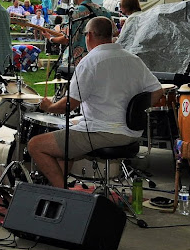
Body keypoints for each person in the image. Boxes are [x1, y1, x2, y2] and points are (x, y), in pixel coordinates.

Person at [28, 17, 162, 189]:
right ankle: (57, 188)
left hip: (104, 132)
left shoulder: (90, 62)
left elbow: (69, 106)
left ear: (89, 35)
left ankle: (63, 194)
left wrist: (49, 107)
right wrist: (133, 112)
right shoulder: (133, 59)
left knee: (36, 145)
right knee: (65, 137)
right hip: (132, 132)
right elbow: (158, 91)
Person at [46, 0, 112, 67]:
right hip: (101, 59)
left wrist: (50, 39)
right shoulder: (103, 11)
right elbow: (114, 33)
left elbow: (66, 39)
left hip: (79, 62)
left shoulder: (75, 12)